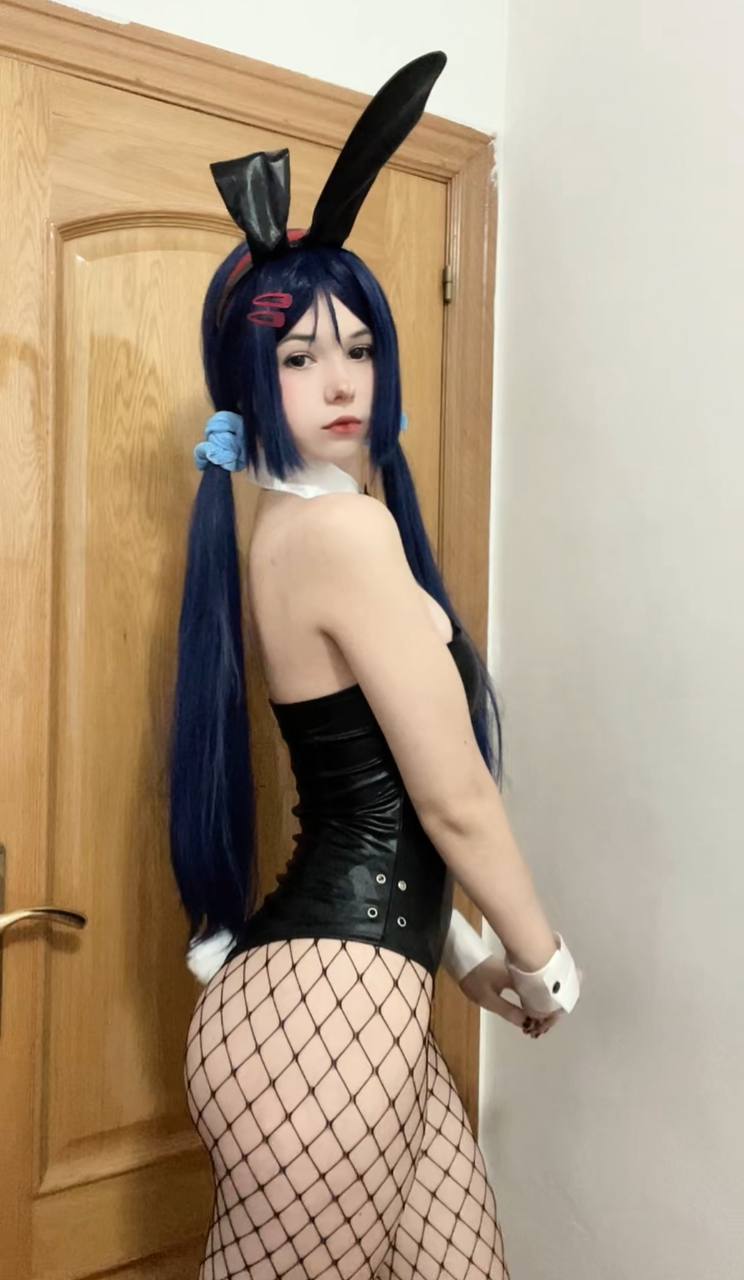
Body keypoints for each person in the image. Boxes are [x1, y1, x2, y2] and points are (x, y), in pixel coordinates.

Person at [171, 52, 582, 1280]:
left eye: (356, 346)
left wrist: (469, 960)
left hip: (347, 1006)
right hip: (322, 1022)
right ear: (249, 378)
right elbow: (452, 798)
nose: (341, 377)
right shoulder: (340, 532)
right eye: (298, 356)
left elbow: (372, 802)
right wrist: (544, 960)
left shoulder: (296, 526)